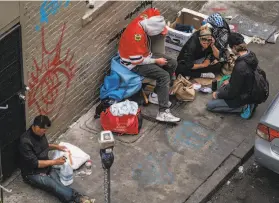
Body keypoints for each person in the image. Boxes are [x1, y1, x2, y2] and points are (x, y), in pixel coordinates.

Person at [118, 8, 180, 123]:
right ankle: (163, 112)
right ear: (152, 29)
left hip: (145, 55)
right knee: (164, 76)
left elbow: (153, 10)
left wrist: (161, 24)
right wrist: (156, 61)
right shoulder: (136, 36)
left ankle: (156, 95)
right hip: (133, 63)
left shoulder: (144, 19)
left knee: (172, 63)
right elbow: (137, 61)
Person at [19, 115, 93, 203]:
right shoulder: (25, 142)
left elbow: (44, 146)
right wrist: (55, 162)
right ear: (37, 127)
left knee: (60, 183)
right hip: (32, 173)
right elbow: (36, 163)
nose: (45, 132)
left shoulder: (40, 133)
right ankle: (78, 197)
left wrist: (57, 147)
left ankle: (69, 201)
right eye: (44, 130)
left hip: (46, 168)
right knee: (53, 186)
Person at [206, 33, 258, 119]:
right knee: (222, 84)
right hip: (249, 88)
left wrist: (219, 95)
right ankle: (248, 103)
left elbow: (232, 92)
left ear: (234, 47)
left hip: (242, 97)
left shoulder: (240, 67)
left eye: (230, 47)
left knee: (210, 105)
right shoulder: (250, 55)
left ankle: (243, 107)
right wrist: (230, 80)